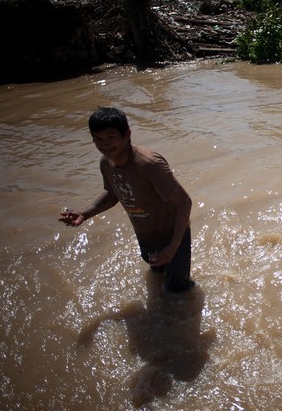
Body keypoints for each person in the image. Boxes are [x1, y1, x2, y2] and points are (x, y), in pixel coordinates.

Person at [59, 107, 194, 293]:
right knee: (156, 278)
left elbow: (184, 202)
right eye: (98, 139)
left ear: (127, 135)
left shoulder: (149, 164)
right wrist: (85, 214)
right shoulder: (106, 163)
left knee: (178, 291)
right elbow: (113, 194)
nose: (104, 145)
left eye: (111, 137)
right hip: (145, 236)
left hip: (172, 235)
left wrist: (173, 247)